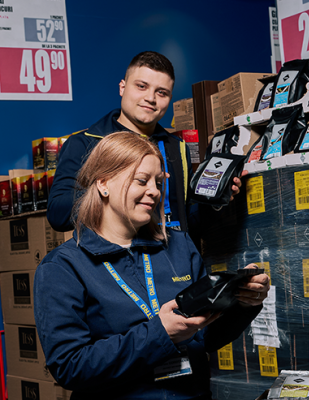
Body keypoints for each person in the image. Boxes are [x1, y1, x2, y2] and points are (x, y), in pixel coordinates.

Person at [34, 132, 270, 400]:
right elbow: (69, 367)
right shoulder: (63, 267)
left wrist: (243, 303)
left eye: (158, 182)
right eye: (142, 181)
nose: (155, 192)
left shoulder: (179, 245)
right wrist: (160, 333)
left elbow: (204, 337)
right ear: (103, 184)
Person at [47, 51, 242, 238]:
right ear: (122, 87)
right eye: (141, 86)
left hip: (174, 265)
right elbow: (58, 215)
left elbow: (187, 217)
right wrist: (113, 186)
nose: (150, 98)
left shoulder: (177, 146)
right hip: (117, 265)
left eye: (162, 92)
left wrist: (216, 199)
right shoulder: (85, 142)